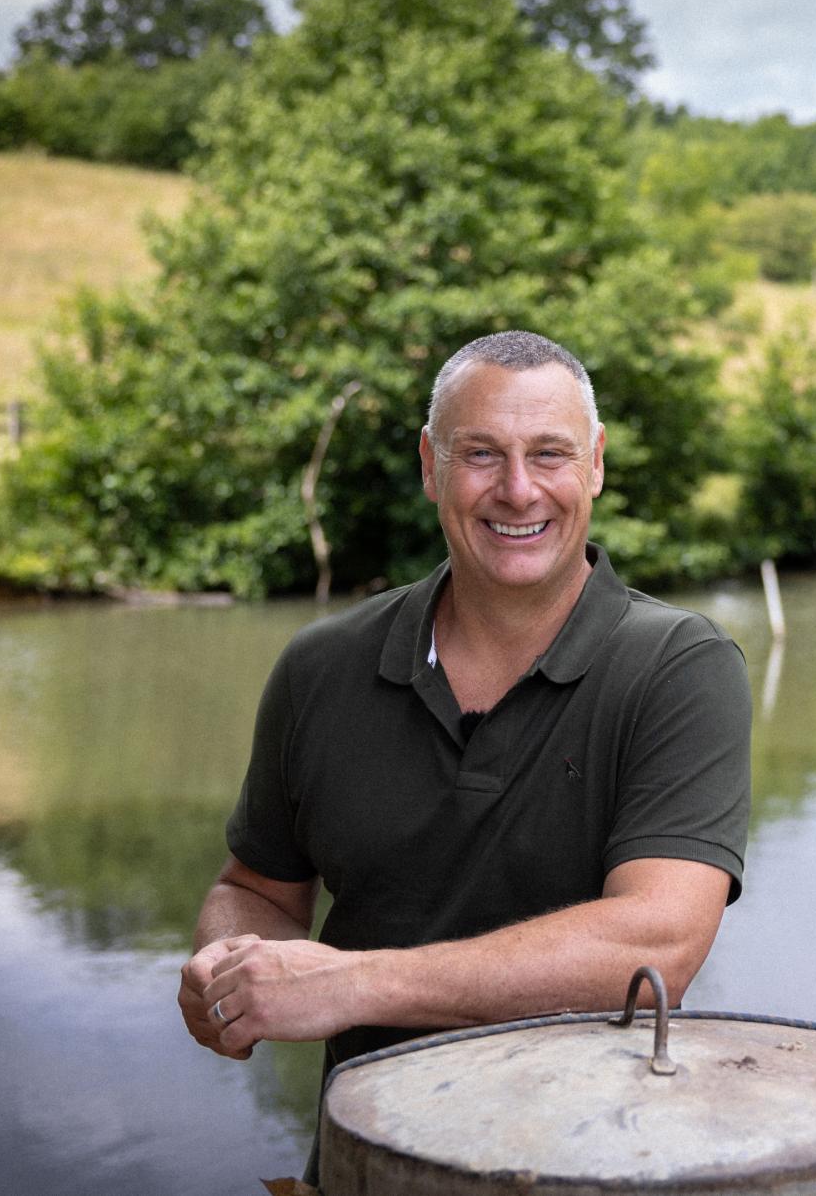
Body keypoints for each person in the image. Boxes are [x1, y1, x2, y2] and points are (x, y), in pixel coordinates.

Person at [176, 330, 751, 1174]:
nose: (518, 491)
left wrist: (355, 984)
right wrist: (224, 966)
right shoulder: (320, 668)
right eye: (481, 454)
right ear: (429, 466)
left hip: (595, 1170)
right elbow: (256, 888)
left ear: (594, 464)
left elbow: (656, 944)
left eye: (549, 454)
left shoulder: (680, 668)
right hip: (366, 1168)